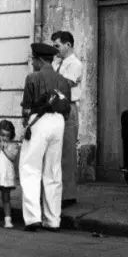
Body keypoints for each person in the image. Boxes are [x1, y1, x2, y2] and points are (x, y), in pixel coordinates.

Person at [19, 43, 72, 231]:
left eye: (33, 59)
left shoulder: (32, 78)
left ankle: (33, 218)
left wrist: (26, 122)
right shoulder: (63, 80)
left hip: (38, 121)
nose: (32, 62)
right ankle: (53, 219)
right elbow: (67, 108)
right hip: (58, 122)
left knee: (30, 168)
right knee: (53, 171)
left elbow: (26, 108)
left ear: (40, 60)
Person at [52, 31, 82, 205]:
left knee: (68, 151)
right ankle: (58, 191)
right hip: (58, 107)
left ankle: (68, 195)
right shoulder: (59, 63)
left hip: (68, 108)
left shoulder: (75, 64)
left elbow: (64, 85)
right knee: (58, 150)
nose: (55, 49)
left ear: (68, 45)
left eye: (57, 45)